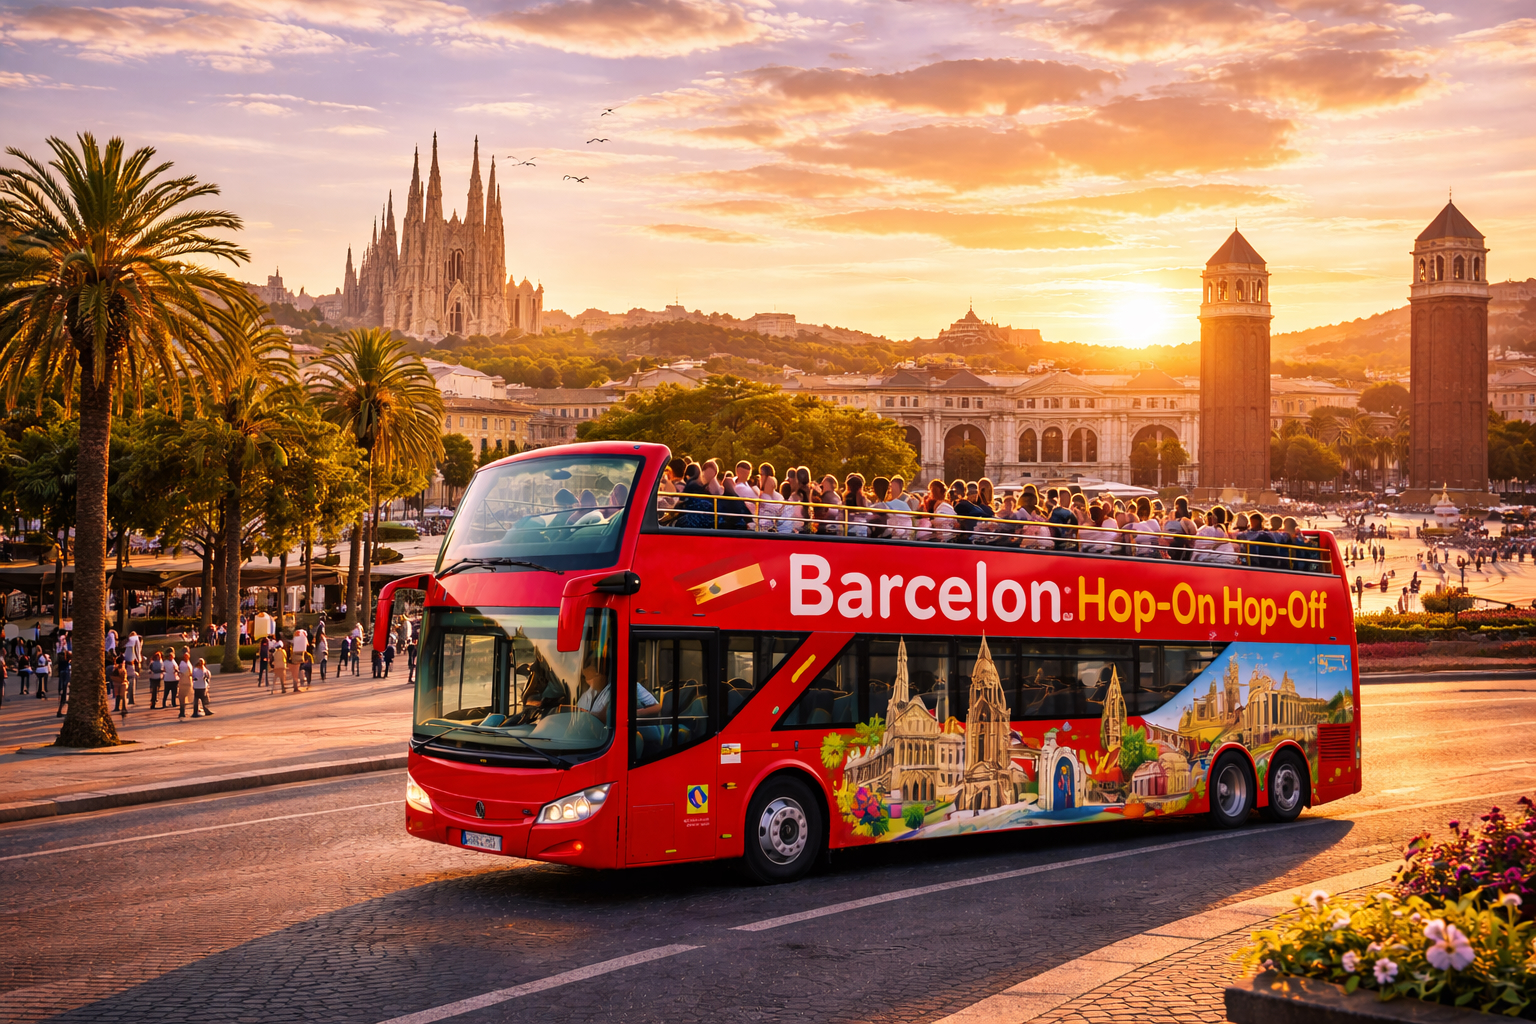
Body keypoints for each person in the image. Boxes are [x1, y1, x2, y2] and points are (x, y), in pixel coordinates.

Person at [176, 648, 193, 718]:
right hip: (184, 682)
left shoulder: (188, 662)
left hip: (188, 682)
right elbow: (184, 673)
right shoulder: (183, 664)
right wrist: (190, 673)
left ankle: (183, 711)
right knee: (182, 697)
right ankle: (182, 712)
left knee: (185, 697)